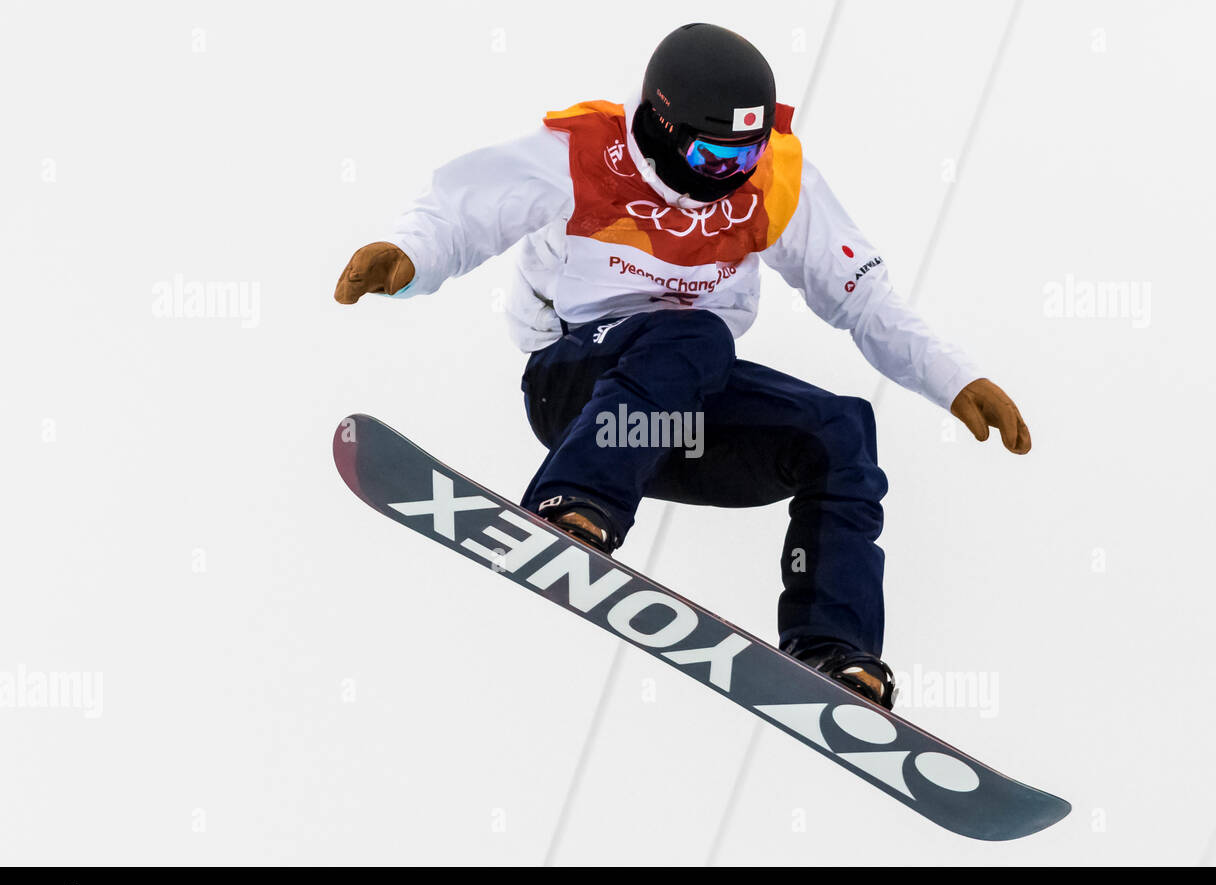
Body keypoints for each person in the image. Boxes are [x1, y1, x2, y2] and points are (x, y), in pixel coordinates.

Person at [334, 22, 1031, 710]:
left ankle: (830, 649)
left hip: (676, 421)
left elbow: (862, 296)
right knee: (694, 335)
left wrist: (953, 377)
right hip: (577, 395)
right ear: (665, 129)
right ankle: (572, 502)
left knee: (841, 432)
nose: (729, 177)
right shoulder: (584, 152)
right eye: (713, 156)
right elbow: (461, 212)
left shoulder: (774, 182)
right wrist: (409, 258)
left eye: (744, 158)